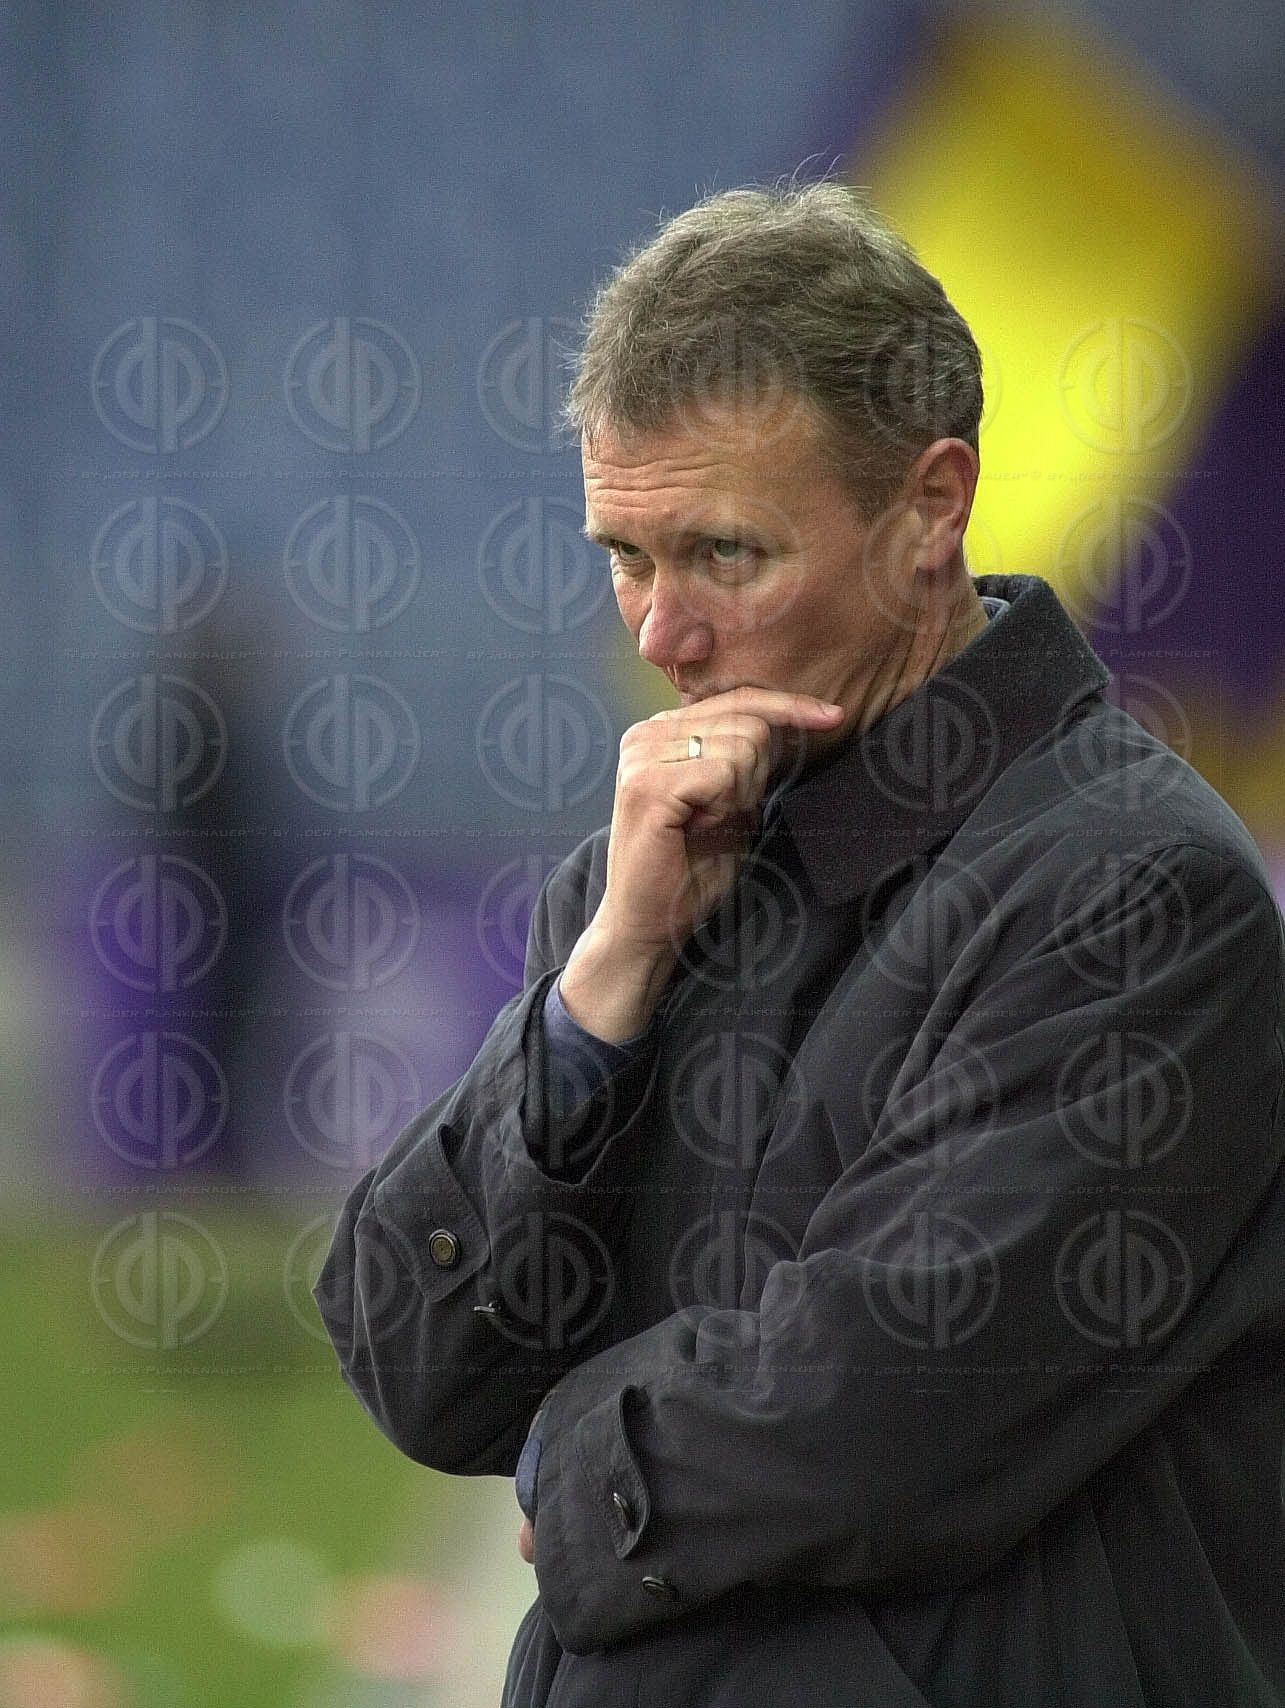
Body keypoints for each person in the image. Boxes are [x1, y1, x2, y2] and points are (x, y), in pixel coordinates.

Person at [314, 183, 1285, 1707]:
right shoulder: (647, 873)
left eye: (722, 554)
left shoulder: (1136, 895)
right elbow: (416, 1360)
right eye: (625, 555)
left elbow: (893, 1406)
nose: (658, 633)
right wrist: (595, 994)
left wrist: (572, 1457)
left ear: (929, 506)